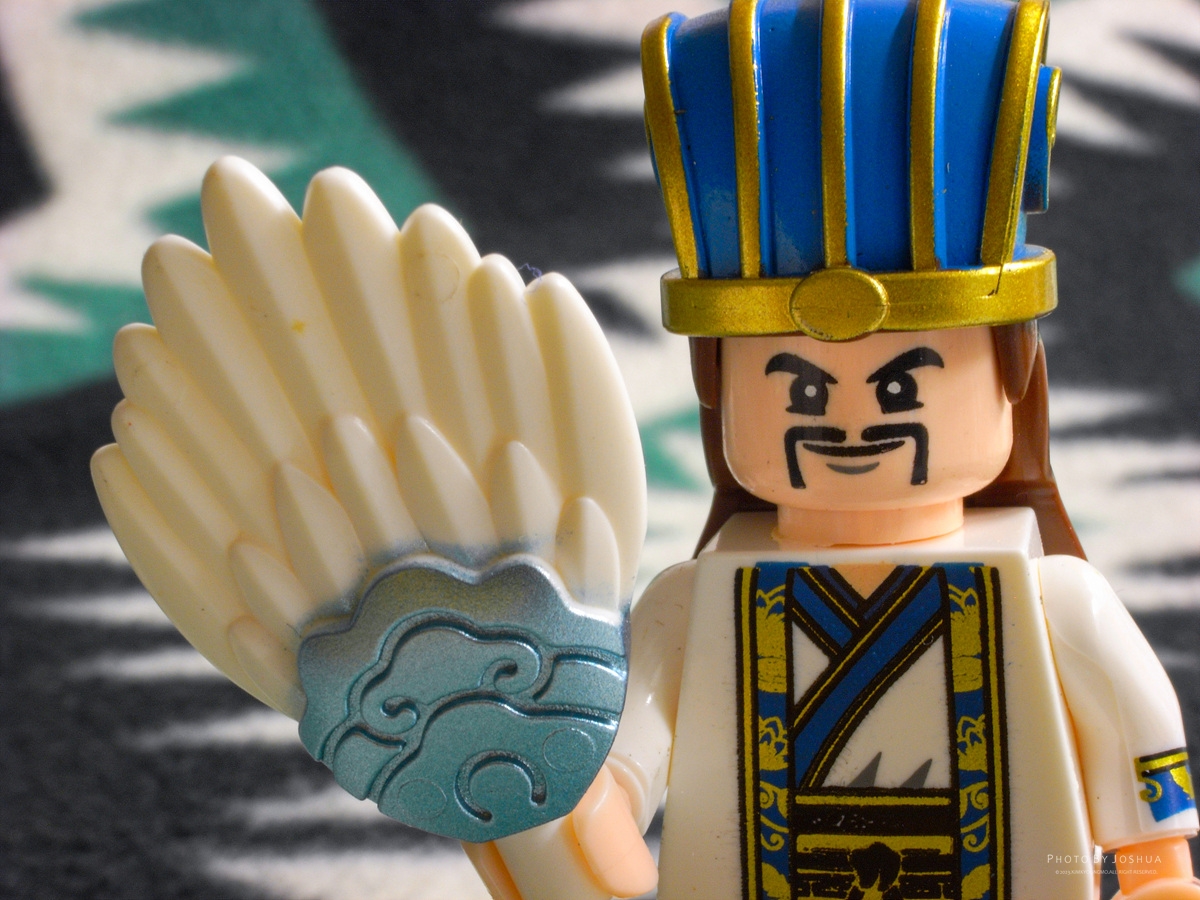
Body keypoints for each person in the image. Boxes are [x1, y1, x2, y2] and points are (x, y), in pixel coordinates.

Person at [476, 1, 1200, 898]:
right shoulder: (688, 607)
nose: (852, 422)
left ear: (1014, 374)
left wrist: (1157, 870)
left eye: (900, 388)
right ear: (719, 384)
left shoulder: (1059, 600)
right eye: (803, 390)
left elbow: (1138, 735)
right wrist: (569, 810)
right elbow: (623, 773)